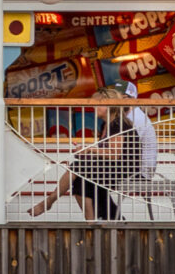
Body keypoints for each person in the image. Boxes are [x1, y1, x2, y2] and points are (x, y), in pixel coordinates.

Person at [32, 63, 157, 221]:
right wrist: (88, 152)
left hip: (132, 169)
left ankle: (50, 202)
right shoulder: (109, 123)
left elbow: (116, 154)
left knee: (79, 169)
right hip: (118, 166)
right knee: (81, 179)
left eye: (101, 103)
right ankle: (96, 223)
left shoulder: (124, 121)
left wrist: (90, 151)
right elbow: (107, 151)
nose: (95, 106)